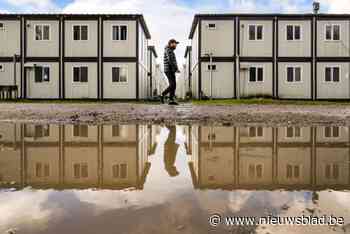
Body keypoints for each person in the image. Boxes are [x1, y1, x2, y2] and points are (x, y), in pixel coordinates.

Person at [161, 39, 180, 105]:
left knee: (173, 85)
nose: (176, 45)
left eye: (176, 44)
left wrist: (175, 68)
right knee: (172, 85)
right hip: (169, 70)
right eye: (175, 43)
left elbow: (173, 60)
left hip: (171, 70)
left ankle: (171, 100)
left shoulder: (170, 50)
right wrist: (175, 68)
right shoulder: (168, 50)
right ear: (171, 43)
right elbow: (170, 60)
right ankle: (163, 94)